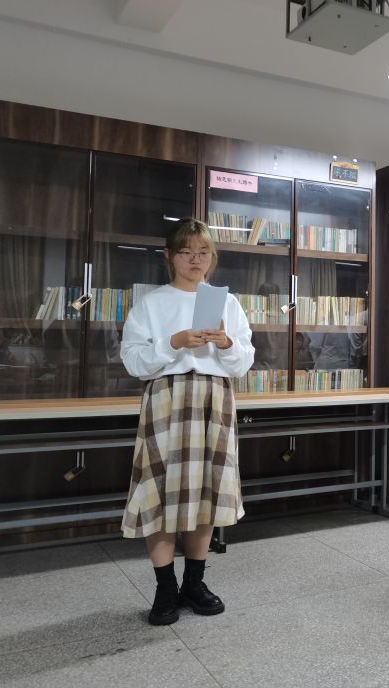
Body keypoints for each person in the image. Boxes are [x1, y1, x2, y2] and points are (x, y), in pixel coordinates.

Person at [120, 218, 255, 624]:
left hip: (215, 397)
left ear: (213, 257)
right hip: (167, 397)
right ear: (169, 256)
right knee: (159, 491)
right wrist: (174, 342)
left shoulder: (226, 302)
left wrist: (226, 343)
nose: (196, 260)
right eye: (186, 252)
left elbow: (243, 362)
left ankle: (194, 583)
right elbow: (133, 361)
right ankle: (165, 588)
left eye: (203, 253)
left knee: (206, 492)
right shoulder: (152, 303)